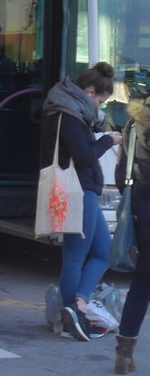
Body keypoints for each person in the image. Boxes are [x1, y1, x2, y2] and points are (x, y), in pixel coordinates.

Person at [42, 61, 122, 341]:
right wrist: (108, 141)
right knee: (76, 255)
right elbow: (84, 155)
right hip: (77, 189)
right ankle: (71, 317)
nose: (101, 107)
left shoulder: (71, 110)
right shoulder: (69, 115)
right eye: (101, 100)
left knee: (104, 251)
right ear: (89, 92)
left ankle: (78, 304)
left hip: (83, 188)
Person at [113, 96, 150, 373]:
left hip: (140, 208)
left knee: (141, 284)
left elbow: (120, 170)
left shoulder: (134, 122)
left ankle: (123, 354)